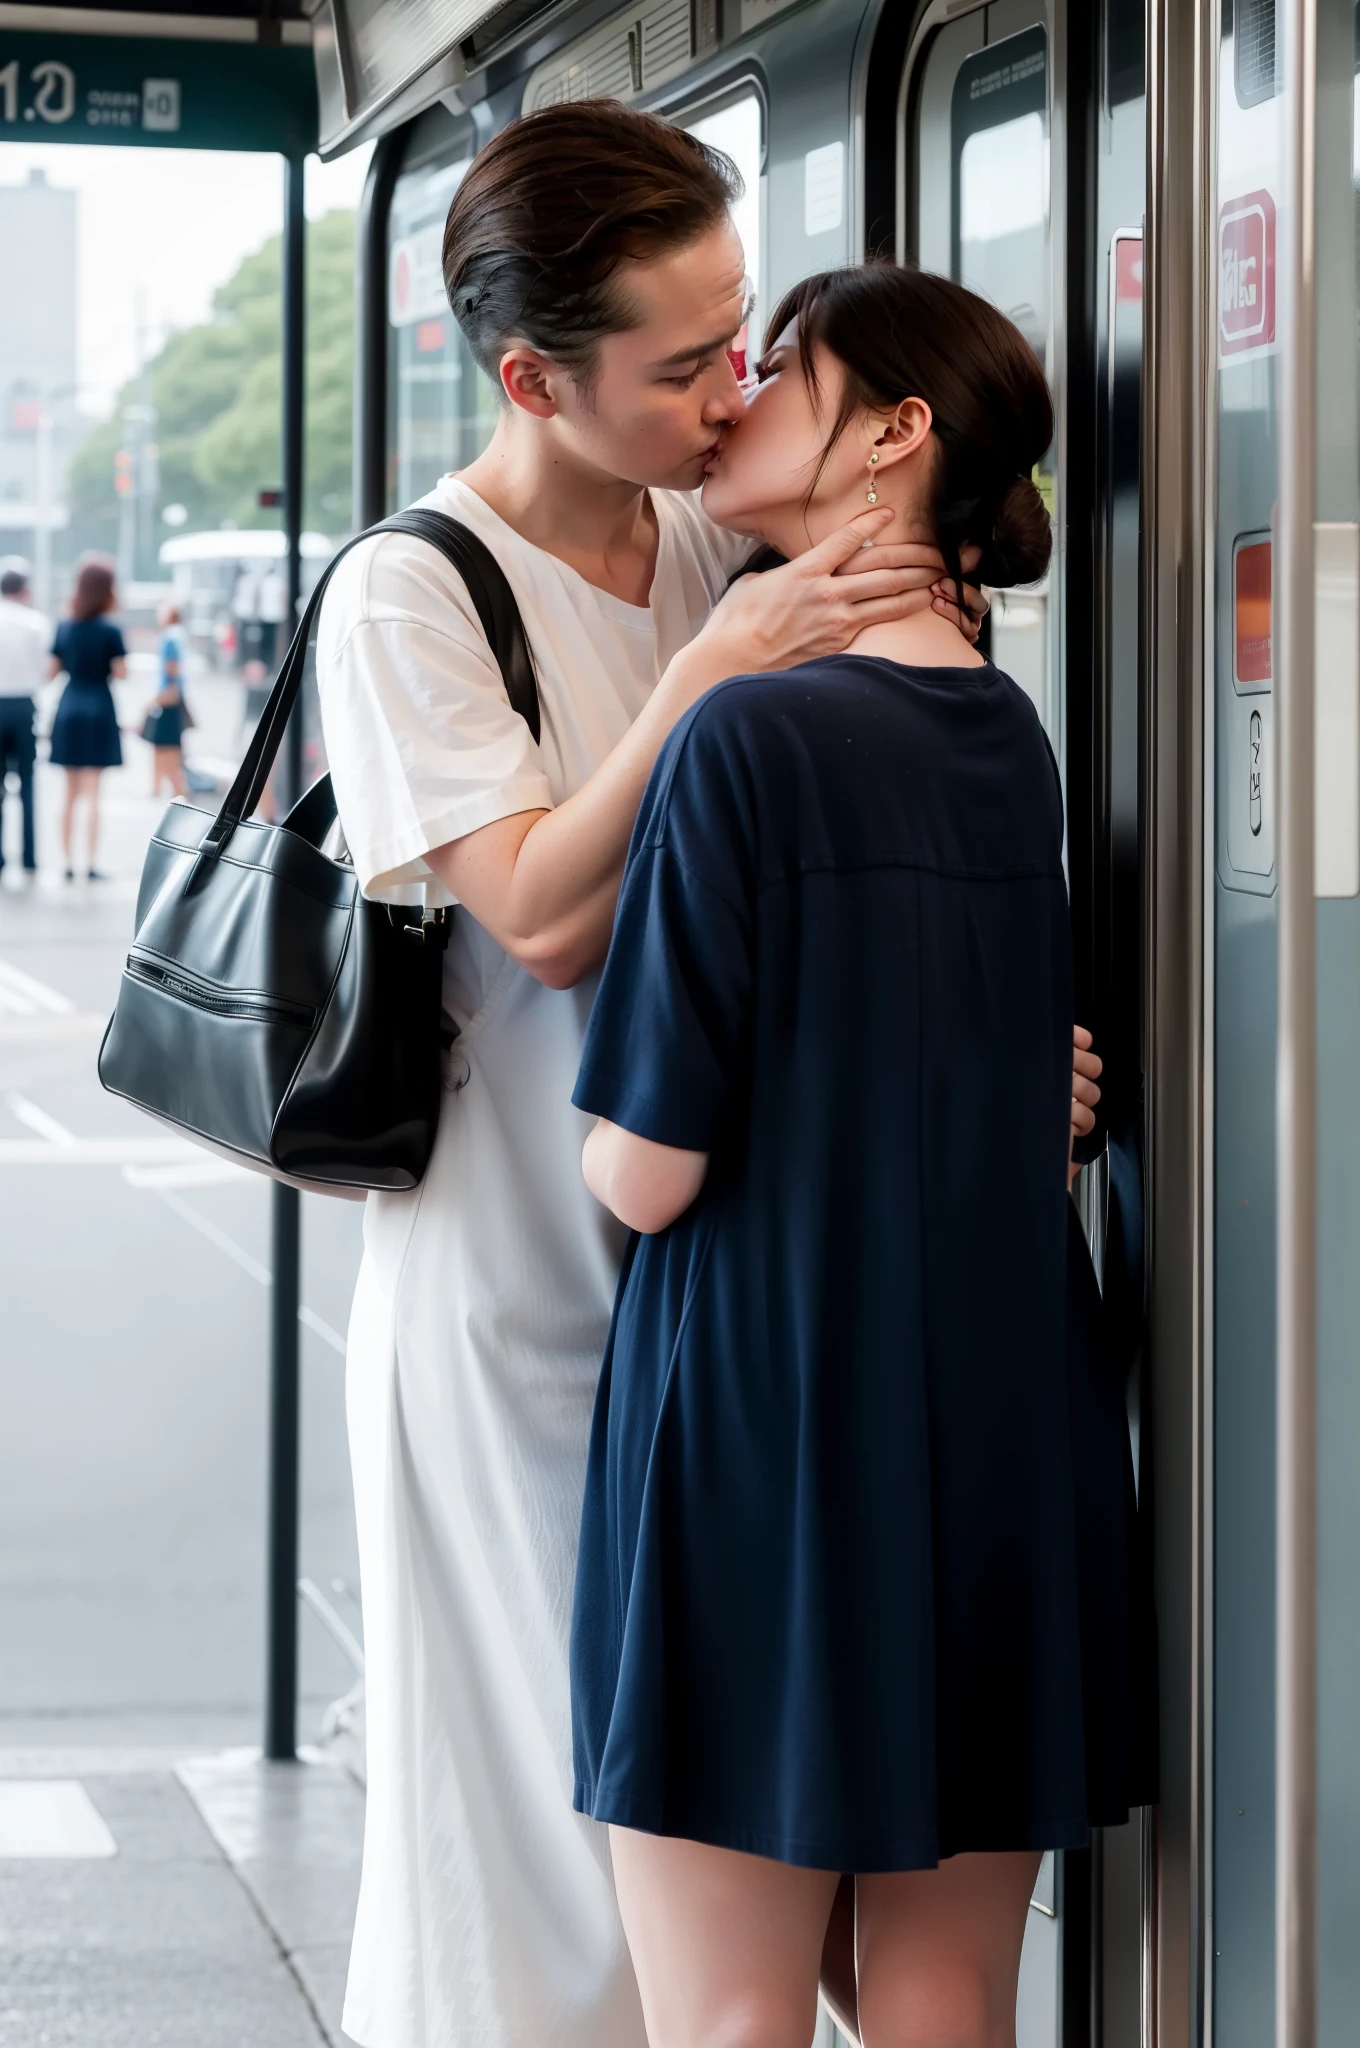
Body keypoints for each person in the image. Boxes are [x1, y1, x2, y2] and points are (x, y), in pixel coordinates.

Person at [315, 101, 986, 2048]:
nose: (726, 394)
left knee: (725, 1864)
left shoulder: (723, 532)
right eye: (680, 364)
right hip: (517, 1296)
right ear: (533, 376)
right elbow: (530, 908)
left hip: (723, 1310)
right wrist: (721, 664)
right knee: (540, 1878)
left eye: (739, 341)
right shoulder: (415, 589)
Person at [571, 264, 1146, 2048]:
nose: (733, 397)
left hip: (765, 1413)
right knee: (945, 1990)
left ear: (894, 435)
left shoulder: (744, 731)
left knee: (733, 2012)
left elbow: (642, 1173)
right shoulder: (1009, 734)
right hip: (998, 1408)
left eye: (784, 371)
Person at [48, 555, 126, 882]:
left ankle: (67, 864)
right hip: (99, 706)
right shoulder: (110, 629)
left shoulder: (65, 626)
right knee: (94, 792)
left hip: (69, 707)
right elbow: (121, 673)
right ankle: (90, 864)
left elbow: (50, 671)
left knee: (68, 792)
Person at [0, 559, 49, 878]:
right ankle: (30, 856)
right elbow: (44, 671)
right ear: (25, 589)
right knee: (29, 783)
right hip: (24, 707)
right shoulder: (36, 623)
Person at [143, 600, 189, 797]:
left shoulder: (169, 638)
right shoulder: (180, 635)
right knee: (164, 748)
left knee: (166, 749)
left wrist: (155, 700)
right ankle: (158, 788)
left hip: (168, 699)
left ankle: (179, 792)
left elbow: (171, 669)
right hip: (174, 698)